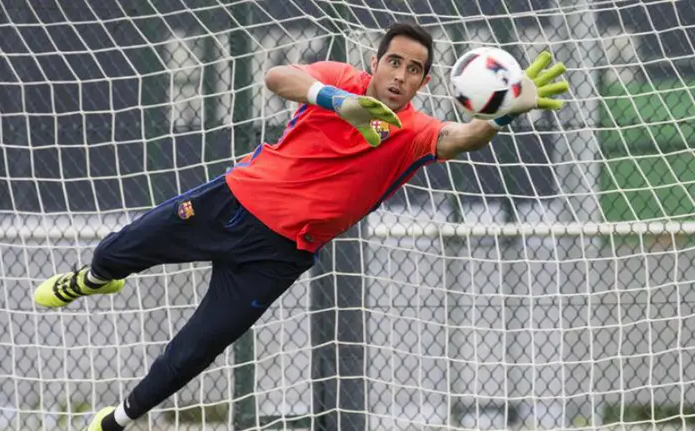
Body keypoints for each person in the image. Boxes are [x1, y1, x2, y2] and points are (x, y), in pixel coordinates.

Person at [31, 22, 568, 431]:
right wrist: (341, 102)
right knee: (123, 246)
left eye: (413, 70)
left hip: (277, 258)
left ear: (427, 82)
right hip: (231, 203)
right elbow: (278, 77)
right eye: (394, 63)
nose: (400, 77)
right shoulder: (340, 79)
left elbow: (461, 138)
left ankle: (117, 420)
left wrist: (502, 114)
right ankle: (97, 277)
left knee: (195, 350)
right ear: (375, 63)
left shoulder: (415, 132)